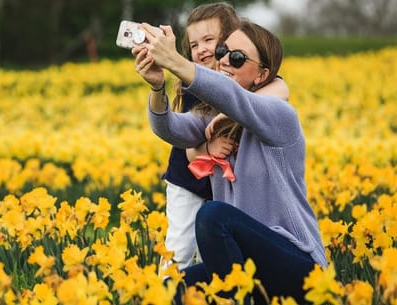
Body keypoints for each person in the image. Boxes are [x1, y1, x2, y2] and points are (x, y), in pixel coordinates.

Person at [133, 20, 327, 304]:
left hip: (302, 269)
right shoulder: (215, 120)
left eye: (237, 58)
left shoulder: (280, 116)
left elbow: (235, 97)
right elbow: (170, 129)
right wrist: (157, 86)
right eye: (224, 51)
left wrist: (174, 60)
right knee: (174, 287)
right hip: (250, 266)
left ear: (262, 75)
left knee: (213, 216)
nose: (223, 60)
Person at [150, 2, 290, 272]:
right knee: (178, 247)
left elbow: (280, 89)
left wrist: (237, 111)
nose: (201, 49)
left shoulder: (249, 80)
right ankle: (163, 291)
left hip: (224, 183)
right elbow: (189, 147)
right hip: (188, 179)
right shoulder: (194, 84)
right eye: (193, 45)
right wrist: (207, 145)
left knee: (212, 250)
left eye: (209, 40)